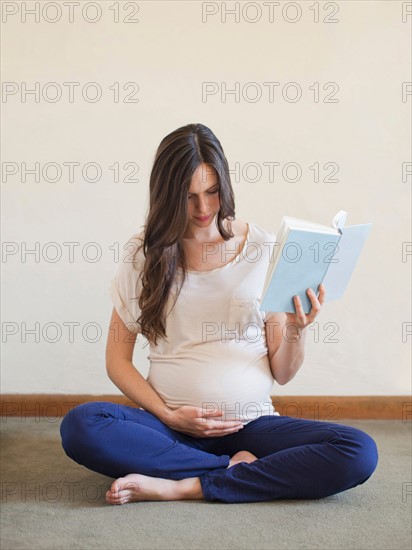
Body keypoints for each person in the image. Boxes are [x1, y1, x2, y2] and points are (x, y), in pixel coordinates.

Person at [60, 123, 378, 505]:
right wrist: (169, 415)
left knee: (358, 450)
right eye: (189, 197)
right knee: (82, 425)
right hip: (170, 428)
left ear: (224, 186)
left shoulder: (263, 248)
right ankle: (232, 470)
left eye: (212, 192)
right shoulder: (142, 254)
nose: (204, 208)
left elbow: (284, 372)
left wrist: (297, 328)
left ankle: (184, 483)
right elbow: (117, 361)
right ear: (166, 195)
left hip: (251, 425)